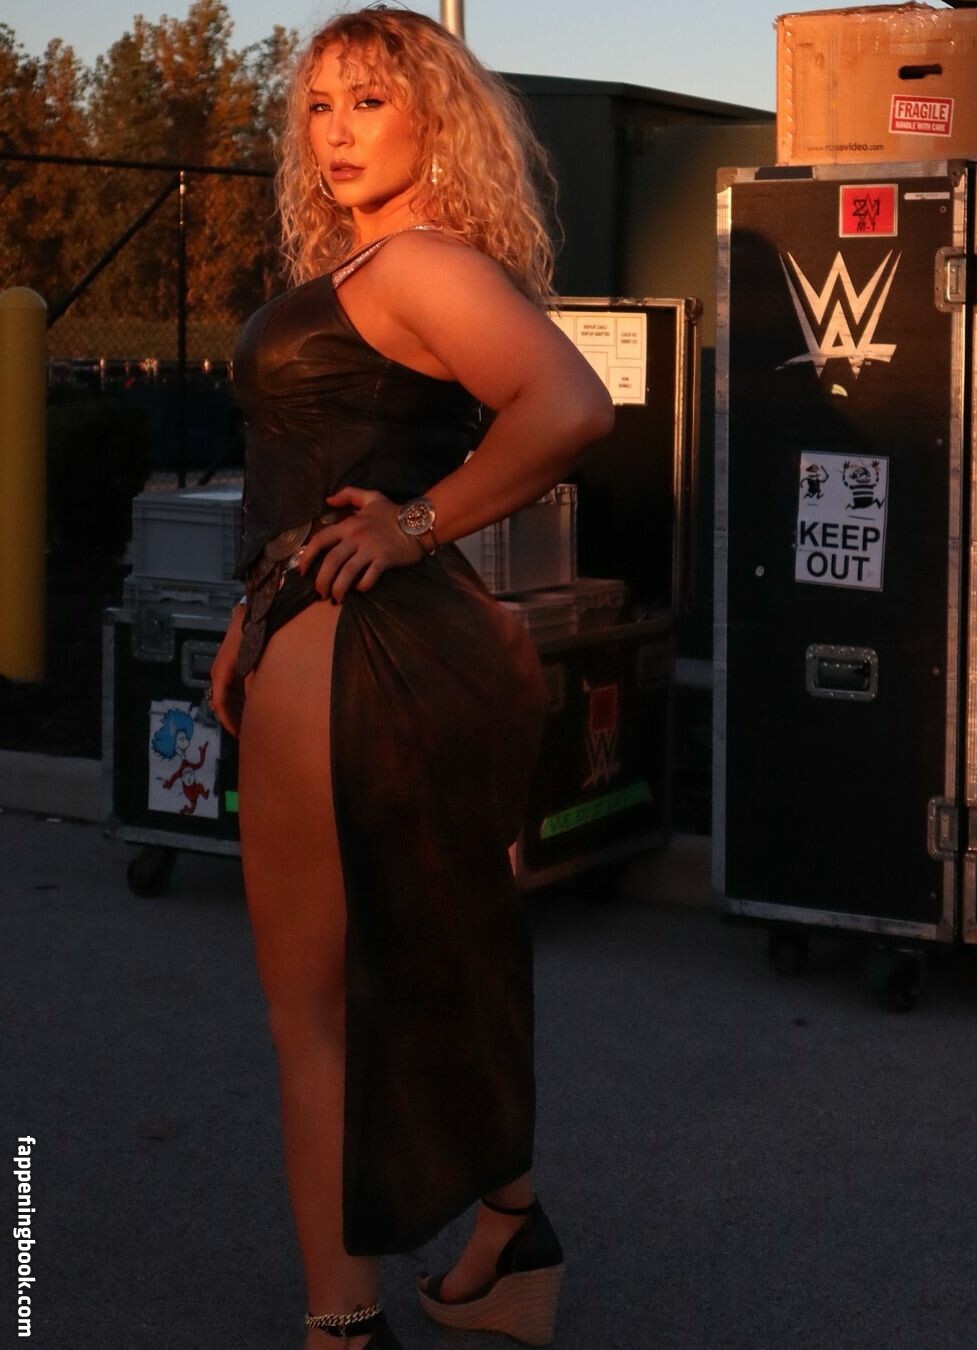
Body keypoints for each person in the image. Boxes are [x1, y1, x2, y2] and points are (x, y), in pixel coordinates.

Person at [207, 7, 614, 1348]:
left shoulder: (422, 262)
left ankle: (342, 1327)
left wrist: (414, 525)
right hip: (357, 636)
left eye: (369, 102)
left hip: (360, 650)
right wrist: (256, 609)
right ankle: (509, 1232)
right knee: (431, 955)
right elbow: (314, 473)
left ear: (436, 118)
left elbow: (572, 407)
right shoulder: (383, 261)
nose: (335, 133)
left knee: (317, 1012)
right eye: (318, 107)